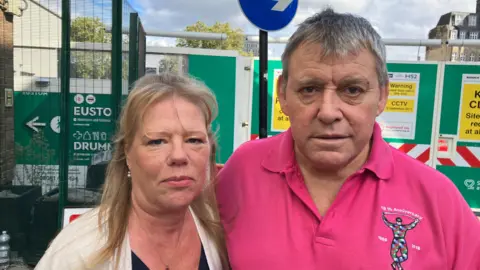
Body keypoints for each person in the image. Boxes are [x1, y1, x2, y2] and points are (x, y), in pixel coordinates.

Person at [216, 8, 480, 270]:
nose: (328, 112)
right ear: (283, 94)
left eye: (352, 90)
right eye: (309, 89)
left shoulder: (437, 199)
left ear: (382, 96)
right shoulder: (242, 172)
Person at [35, 73, 229, 270]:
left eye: (194, 140)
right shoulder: (77, 253)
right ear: (127, 154)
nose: (179, 156)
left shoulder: (224, 237)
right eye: (157, 141)